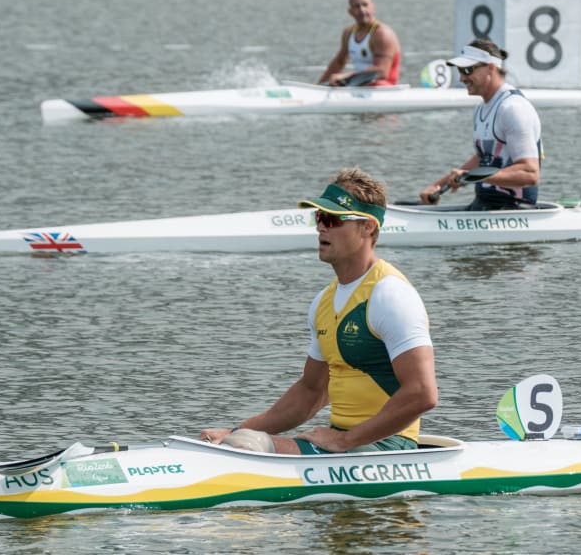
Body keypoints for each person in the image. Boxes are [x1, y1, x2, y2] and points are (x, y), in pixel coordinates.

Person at [200, 168, 437, 455]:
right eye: (319, 217)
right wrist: (235, 431)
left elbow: (423, 393)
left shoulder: (390, 295)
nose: (320, 227)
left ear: (368, 227)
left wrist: (345, 441)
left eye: (333, 219)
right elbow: (311, 392)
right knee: (241, 440)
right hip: (343, 441)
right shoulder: (323, 302)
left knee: (248, 446)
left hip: (388, 445)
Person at [420, 39, 543, 209]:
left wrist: (470, 176)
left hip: (513, 209)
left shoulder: (513, 109)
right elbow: (483, 158)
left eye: (468, 70)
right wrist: (438, 186)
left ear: (491, 67)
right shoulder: (481, 108)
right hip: (485, 206)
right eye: (460, 71)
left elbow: (530, 173)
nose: (462, 78)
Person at [317, 0, 401, 87]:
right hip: (359, 85)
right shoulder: (348, 33)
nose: (362, 10)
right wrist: (317, 87)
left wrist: (346, 76)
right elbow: (339, 63)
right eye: (357, 6)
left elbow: (381, 72)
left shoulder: (383, 34)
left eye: (365, 5)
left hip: (382, 87)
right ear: (350, 12)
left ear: (373, 7)